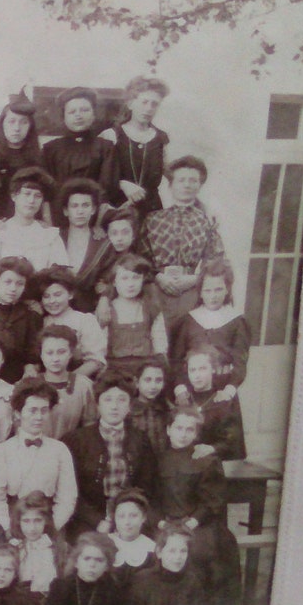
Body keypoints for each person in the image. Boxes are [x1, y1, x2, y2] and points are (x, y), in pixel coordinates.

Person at [152, 407, 241, 603]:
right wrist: (160, 523)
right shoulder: (158, 460)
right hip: (166, 522)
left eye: (189, 430)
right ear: (168, 429)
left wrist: (192, 521)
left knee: (198, 550)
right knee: (157, 550)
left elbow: (212, 500)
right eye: (178, 428)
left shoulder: (206, 460)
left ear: (196, 433)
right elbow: (152, 498)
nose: (183, 434)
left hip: (197, 522)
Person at [63, 374, 158, 539]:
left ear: (129, 406)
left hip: (130, 516)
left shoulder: (140, 439)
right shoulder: (77, 440)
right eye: (108, 400)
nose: (115, 406)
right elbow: (69, 491)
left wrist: (128, 516)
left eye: (122, 400)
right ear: (98, 405)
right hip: (88, 518)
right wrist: (97, 521)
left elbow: (146, 486)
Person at [141, 155, 227, 326]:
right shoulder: (153, 219)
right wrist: (158, 277)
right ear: (171, 185)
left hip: (191, 291)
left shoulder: (206, 221)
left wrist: (195, 279)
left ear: (200, 185)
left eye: (193, 180)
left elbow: (216, 259)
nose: (187, 185)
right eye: (181, 180)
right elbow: (140, 257)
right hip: (156, 289)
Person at [0, 379, 77, 531]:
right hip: (12, 527)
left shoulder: (60, 450)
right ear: (18, 413)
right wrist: (11, 530)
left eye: (44, 410)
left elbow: (67, 498)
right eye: (32, 410)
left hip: (50, 525)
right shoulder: (2, 452)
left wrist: (51, 528)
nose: (39, 417)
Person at [0, 167, 69, 299]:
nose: (31, 201)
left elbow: (58, 278)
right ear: (14, 196)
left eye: (37, 196)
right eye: (27, 194)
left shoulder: (50, 236)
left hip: (38, 304)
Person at [168, 258, 251, 394]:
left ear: (227, 289)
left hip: (223, 390)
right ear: (200, 292)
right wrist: (180, 388)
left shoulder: (237, 322)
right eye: (208, 290)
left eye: (218, 290)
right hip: (191, 389)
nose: (213, 296)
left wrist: (230, 389)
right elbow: (176, 360)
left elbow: (240, 363)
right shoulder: (187, 321)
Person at [41, 87, 118, 213]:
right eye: (72, 112)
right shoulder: (50, 149)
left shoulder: (106, 148)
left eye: (84, 110)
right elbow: (47, 189)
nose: (78, 115)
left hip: (94, 213)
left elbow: (108, 187)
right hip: (60, 212)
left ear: (93, 114)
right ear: (63, 117)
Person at [102, 75, 170, 216]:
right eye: (144, 102)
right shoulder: (111, 135)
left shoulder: (161, 139)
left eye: (154, 104)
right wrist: (121, 184)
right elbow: (96, 177)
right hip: (118, 213)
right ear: (130, 103)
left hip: (152, 212)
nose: (149, 108)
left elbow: (171, 174)